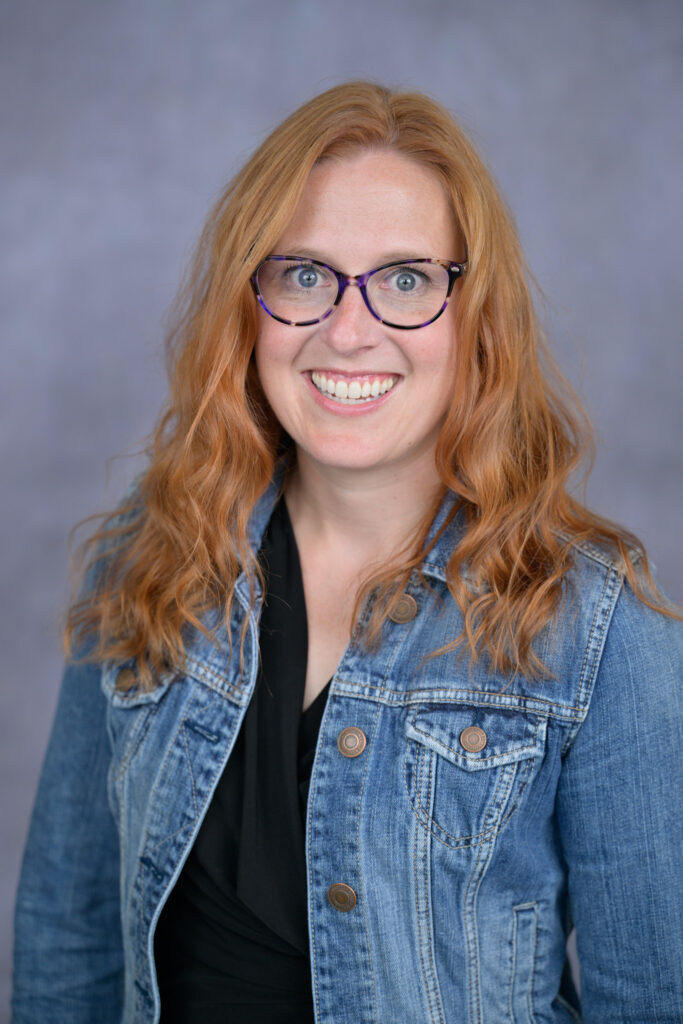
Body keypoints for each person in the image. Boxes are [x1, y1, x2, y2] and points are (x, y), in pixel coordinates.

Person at [12, 81, 682, 1024]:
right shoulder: (148, 553)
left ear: (474, 318)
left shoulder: (598, 627)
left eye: (406, 279)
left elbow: (650, 1000)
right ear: (250, 305)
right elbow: (65, 943)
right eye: (304, 275)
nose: (348, 329)